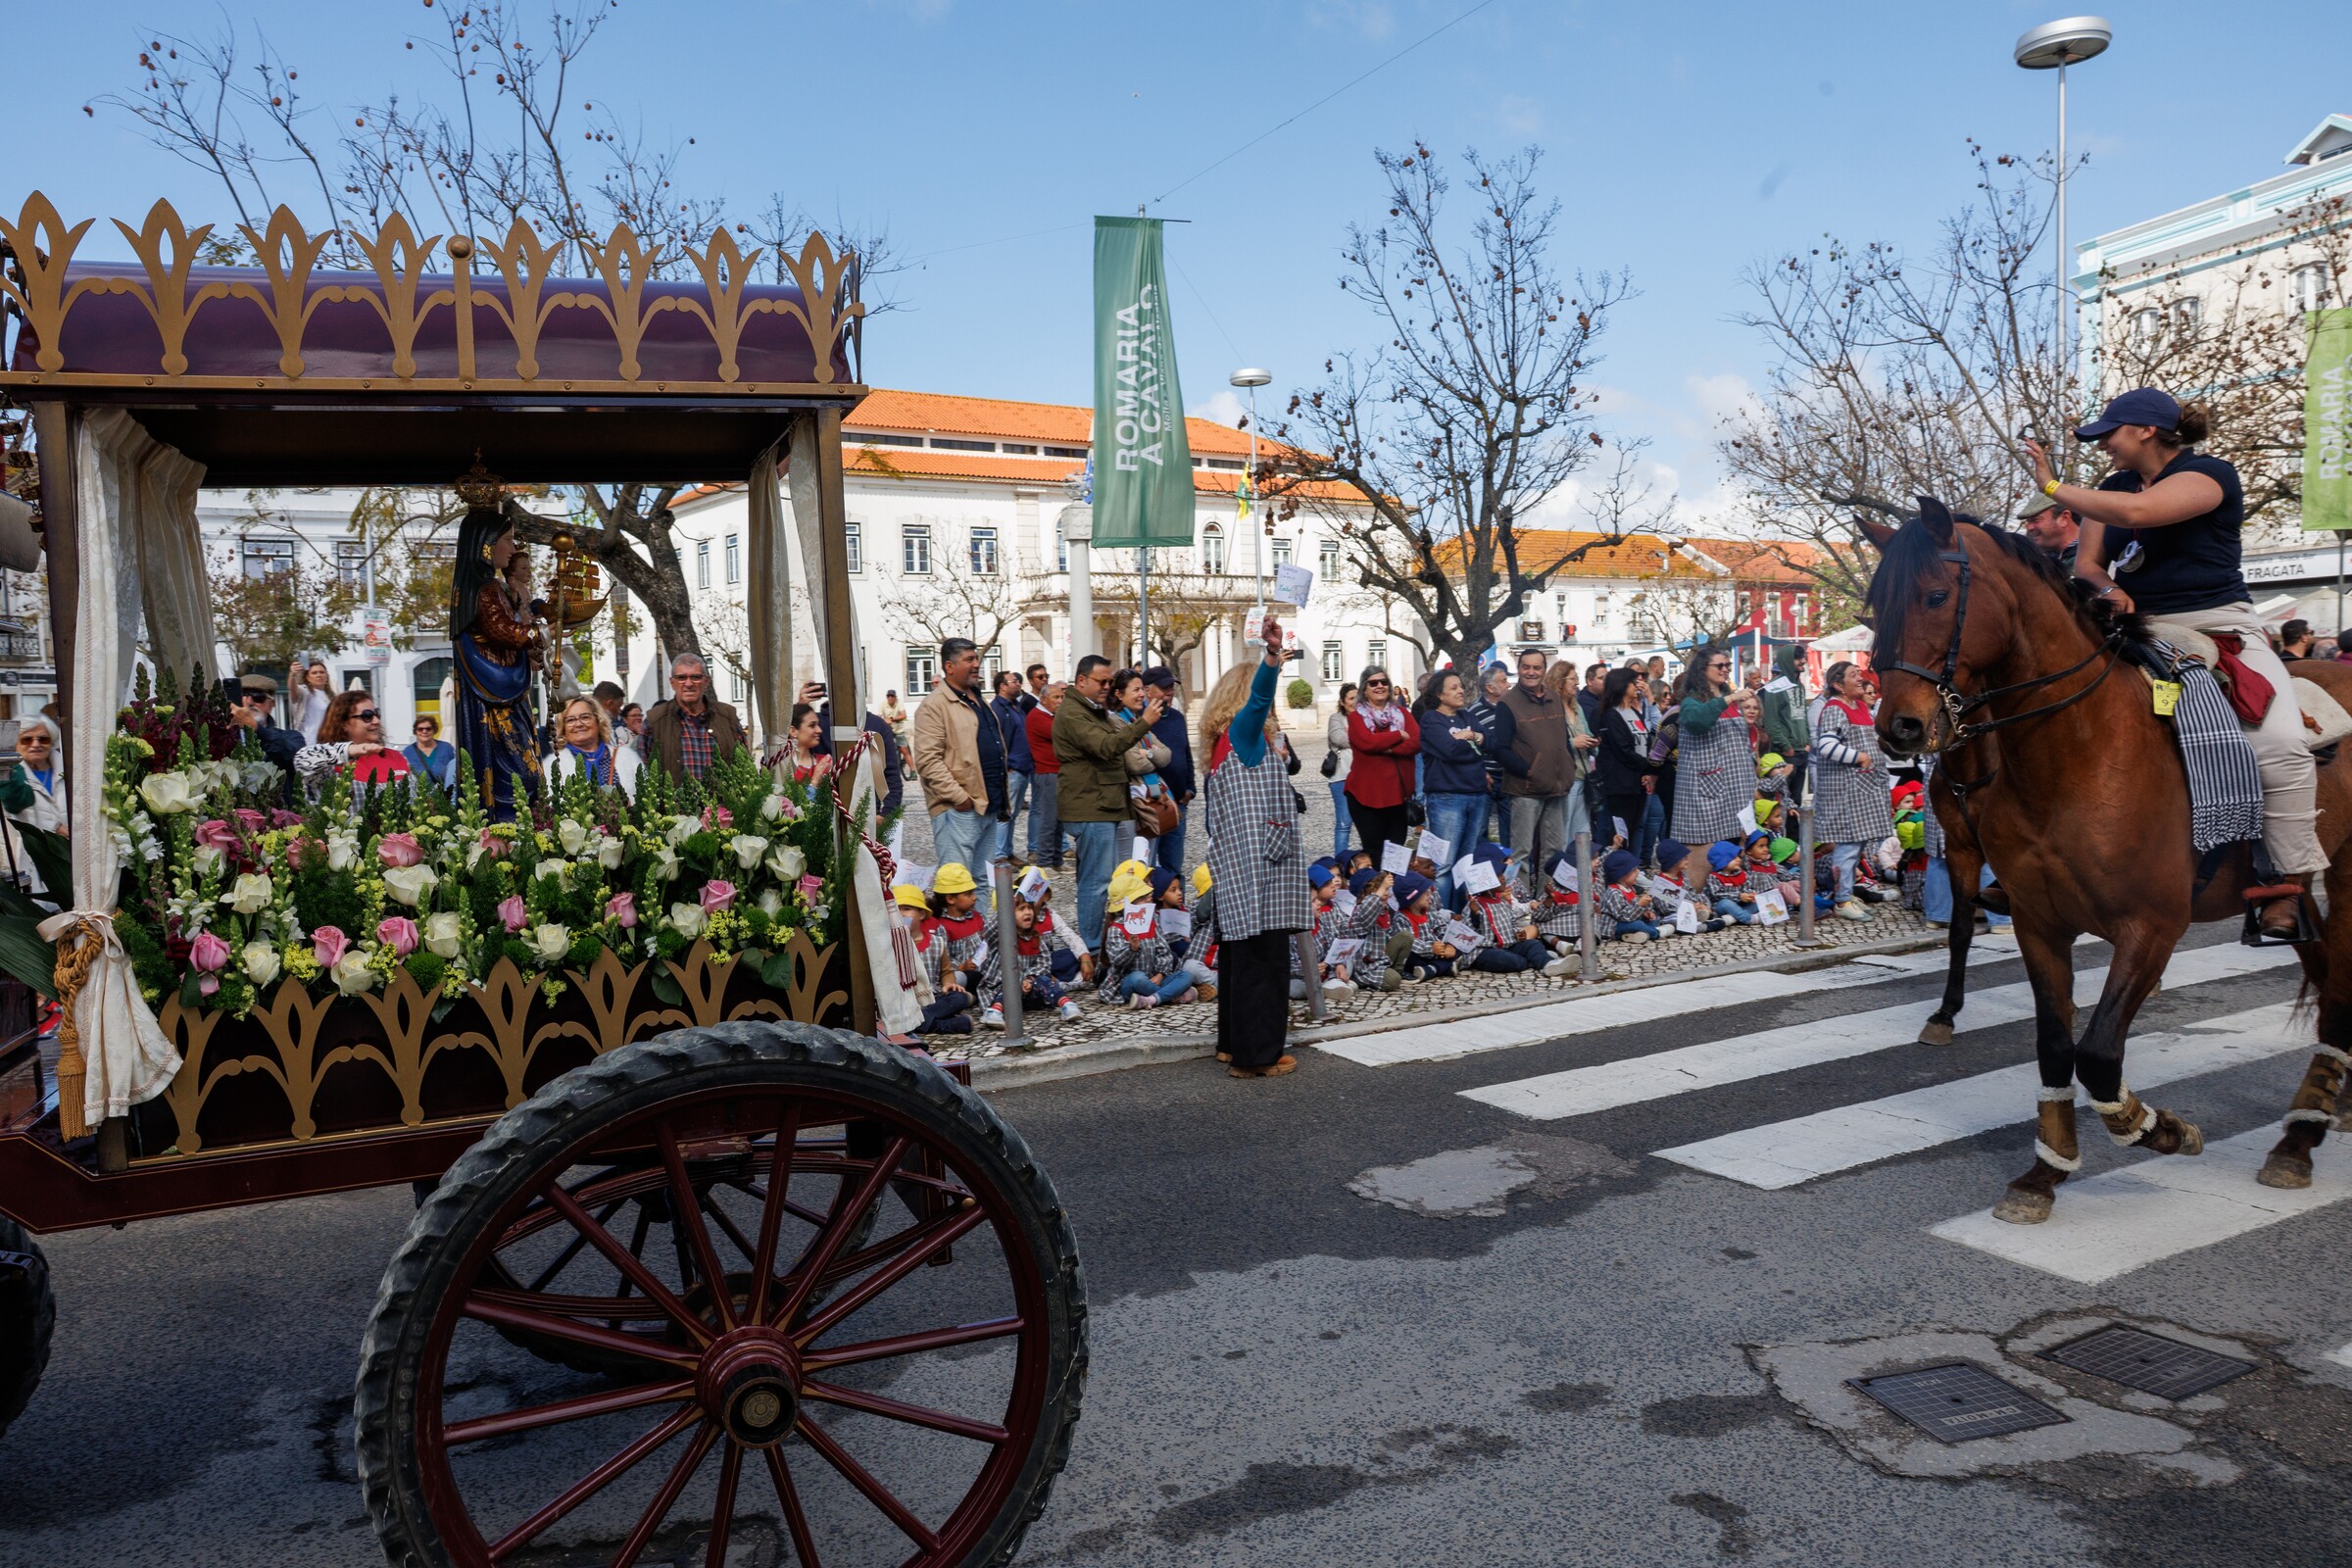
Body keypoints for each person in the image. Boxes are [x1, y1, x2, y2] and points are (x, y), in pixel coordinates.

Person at [2033, 387, 2324, 934]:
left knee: (2281, 742)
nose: (2105, 449)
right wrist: (2104, 587)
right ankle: (2040, 857)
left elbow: (2141, 512)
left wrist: (2051, 485)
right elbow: (2091, 563)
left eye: (2109, 436)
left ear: (2145, 430)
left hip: (2218, 623)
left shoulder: (2210, 474)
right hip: (2136, 626)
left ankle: (2287, 880)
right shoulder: (2108, 489)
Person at [1199, 617, 1312, 1078]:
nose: (1270, 710)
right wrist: (1271, 658)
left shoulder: (1222, 745)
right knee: (1262, 963)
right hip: (1259, 870)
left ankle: (1233, 1044)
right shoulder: (1244, 737)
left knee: (1238, 959)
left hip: (1239, 868)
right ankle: (1258, 1056)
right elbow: (1262, 696)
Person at [1054, 653, 1165, 956]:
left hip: (1107, 803)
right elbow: (1106, 747)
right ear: (1081, 681)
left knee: (1108, 879)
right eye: (1102, 681)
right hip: (1091, 807)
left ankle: (1104, 942)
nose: (1107, 686)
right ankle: (1091, 948)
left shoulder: (1094, 709)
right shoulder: (1073, 713)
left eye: (1110, 681)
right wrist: (1143, 723)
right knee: (1096, 882)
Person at [448, 505, 546, 818]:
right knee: (523, 772)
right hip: (495, 692)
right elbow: (500, 629)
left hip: (505, 685)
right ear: (486, 545)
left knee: (526, 770)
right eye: (508, 540)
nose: (513, 548)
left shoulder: (496, 587)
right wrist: (534, 635)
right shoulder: (484, 588)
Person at [911, 638, 1008, 883]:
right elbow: (927, 761)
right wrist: (960, 798)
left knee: (982, 881)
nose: (977, 664)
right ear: (950, 666)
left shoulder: (976, 697)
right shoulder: (934, 705)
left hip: (987, 805)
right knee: (957, 884)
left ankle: (980, 923)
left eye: (976, 658)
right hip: (959, 811)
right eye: (969, 660)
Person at [1810, 660, 1892, 922]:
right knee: (1846, 848)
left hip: (1861, 792)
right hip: (1846, 794)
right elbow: (1826, 745)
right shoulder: (1835, 709)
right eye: (1853, 675)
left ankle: (1847, 893)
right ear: (1838, 685)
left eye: (1860, 673)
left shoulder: (1857, 707)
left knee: (1855, 848)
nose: (1860, 678)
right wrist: (1859, 757)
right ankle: (1842, 900)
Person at [1496, 649, 1578, 894]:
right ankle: (1520, 904)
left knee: (1554, 850)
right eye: (1526, 667)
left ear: (1544, 670)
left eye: (1537, 667)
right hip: (1526, 789)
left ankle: (1546, 901)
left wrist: (1568, 765)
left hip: (1556, 786)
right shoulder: (1508, 703)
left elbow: (1563, 737)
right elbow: (1500, 748)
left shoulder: (1553, 697)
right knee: (1521, 852)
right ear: (1519, 669)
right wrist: (1529, 771)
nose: (1531, 672)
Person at [1418, 669, 1491, 906]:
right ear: (1439, 694)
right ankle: (1442, 915)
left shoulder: (1467, 717)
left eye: (1461, 686)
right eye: (1454, 688)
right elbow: (1450, 751)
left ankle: (1462, 913)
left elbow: (1491, 741)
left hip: (1477, 794)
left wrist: (1471, 736)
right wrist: (1471, 743)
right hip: (1447, 798)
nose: (1461, 691)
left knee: (1467, 862)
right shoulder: (1431, 719)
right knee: (1445, 864)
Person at [1671, 646, 1755, 848]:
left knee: (1737, 850)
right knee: (1708, 854)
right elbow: (1696, 721)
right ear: (1702, 669)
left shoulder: (1729, 699)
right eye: (1719, 665)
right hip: (1709, 792)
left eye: (1728, 665)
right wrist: (1729, 699)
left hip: (1736, 790)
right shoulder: (1692, 700)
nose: (1725, 669)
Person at [1343, 665, 1421, 858]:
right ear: (1365, 689)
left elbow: (1417, 742)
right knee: (1375, 852)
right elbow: (1367, 742)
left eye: (1383, 682)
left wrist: (1387, 748)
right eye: (1373, 683)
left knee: (1397, 853)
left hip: (1398, 795)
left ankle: (1395, 887)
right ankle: (1377, 887)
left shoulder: (1402, 713)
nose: (1379, 686)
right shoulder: (1356, 717)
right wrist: (1398, 735)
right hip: (1367, 797)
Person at [645, 653, 748, 786]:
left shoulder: (727, 716)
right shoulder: (655, 720)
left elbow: (744, 763)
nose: (689, 684)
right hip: (675, 805)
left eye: (695, 677)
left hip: (722, 805)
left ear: (706, 681)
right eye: (681, 678)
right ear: (672, 683)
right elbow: (642, 769)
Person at [1595, 667, 1663, 867]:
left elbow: (1648, 738)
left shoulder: (1634, 711)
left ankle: (1630, 871)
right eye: (1633, 682)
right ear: (1621, 685)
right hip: (1621, 784)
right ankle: (1617, 872)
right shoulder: (1611, 715)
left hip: (1638, 782)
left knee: (1633, 830)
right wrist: (1651, 767)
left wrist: (1649, 771)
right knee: (1619, 832)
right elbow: (1623, 750)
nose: (1637, 686)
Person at [295, 689, 413, 800]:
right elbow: (301, 759)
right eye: (367, 716)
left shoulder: (396, 756)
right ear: (343, 724)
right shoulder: (330, 764)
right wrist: (350, 750)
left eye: (377, 714)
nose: (376, 721)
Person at [1141, 667, 1196, 877]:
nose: (1169, 692)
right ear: (1147, 690)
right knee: (1147, 868)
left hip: (1178, 804)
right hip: (1151, 805)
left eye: (1171, 687)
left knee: (1174, 867)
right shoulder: (1139, 720)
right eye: (1164, 688)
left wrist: (1190, 789)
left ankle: (1174, 908)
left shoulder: (1177, 718)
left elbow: (1186, 755)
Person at [542, 693, 643, 794]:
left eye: (585, 717)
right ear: (563, 727)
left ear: (598, 720)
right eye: (571, 720)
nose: (579, 724)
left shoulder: (627, 757)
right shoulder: (553, 764)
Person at [991, 670, 1037, 865]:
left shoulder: (1016, 706)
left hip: (1023, 767)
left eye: (1019, 681)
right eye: (1014, 681)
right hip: (1011, 768)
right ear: (1002, 686)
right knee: (1005, 814)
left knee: (1013, 814)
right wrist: (1005, 765)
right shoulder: (998, 708)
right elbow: (998, 740)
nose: (1019, 684)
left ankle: (1007, 852)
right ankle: (999, 855)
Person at [1758, 644, 1812, 804]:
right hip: (1786, 754)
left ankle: (1794, 829)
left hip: (1802, 750)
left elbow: (1803, 715)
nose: (1803, 661)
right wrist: (1786, 747)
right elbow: (1772, 721)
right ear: (1788, 660)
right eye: (1798, 658)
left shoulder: (1800, 686)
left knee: (1796, 802)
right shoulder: (1774, 687)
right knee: (1783, 802)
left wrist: (1807, 741)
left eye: (1804, 657)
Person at [1467, 664, 1514, 845]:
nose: (1508, 685)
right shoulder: (1474, 711)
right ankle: (1483, 867)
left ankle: (1508, 868)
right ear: (1490, 688)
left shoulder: (1511, 707)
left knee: (1510, 828)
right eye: (1503, 681)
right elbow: (1470, 746)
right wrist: (1481, 771)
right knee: (1480, 828)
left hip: (1509, 776)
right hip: (1485, 777)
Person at [1024, 681, 1066, 868]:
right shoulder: (1038, 717)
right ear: (1044, 699)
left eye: (1062, 697)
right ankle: (1046, 861)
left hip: (1057, 772)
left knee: (1059, 820)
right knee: (1049, 820)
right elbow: (1062, 734)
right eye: (1056, 697)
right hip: (1048, 773)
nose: (1060, 701)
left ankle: (1056, 859)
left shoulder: (1051, 715)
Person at [1325, 681, 1358, 861]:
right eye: (1351, 698)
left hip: (1365, 777)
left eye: (1358, 698)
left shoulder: (1367, 717)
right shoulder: (1336, 718)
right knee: (1344, 823)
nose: (1355, 702)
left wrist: (1353, 734)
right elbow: (1338, 738)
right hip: (1341, 776)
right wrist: (1364, 738)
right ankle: (1340, 864)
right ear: (1343, 702)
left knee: (1366, 824)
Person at [2018, 491, 2080, 572]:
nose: (2029, 527)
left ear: (2064, 518)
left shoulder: (2096, 558)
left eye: (2036, 520)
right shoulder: (2039, 566)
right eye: (2028, 522)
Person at [402, 713, 459, 795]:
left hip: (444, 799)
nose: (424, 732)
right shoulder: (408, 752)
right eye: (420, 729)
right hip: (420, 799)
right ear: (415, 731)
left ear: (434, 730)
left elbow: (455, 772)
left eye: (428, 729)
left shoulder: (446, 748)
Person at [782, 700, 833, 785]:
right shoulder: (782, 767)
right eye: (812, 725)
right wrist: (815, 780)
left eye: (818, 725)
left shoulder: (826, 762)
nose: (819, 730)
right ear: (793, 731)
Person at [288, 657, 332, 745]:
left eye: (322, 672)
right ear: (308, 677)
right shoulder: (305, 692)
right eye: (314, 673)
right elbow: (292, 689)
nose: (319, 675)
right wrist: (292, 675)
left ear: (326, 676)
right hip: (308, 742)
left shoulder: (331, 696)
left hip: (327, 742)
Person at [1577, 662, 1608, 730]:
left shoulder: (1607, 696)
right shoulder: (1583, 700)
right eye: (1602, 678)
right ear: (1589, 681)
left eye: (1607, 677)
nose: (1606, 681)